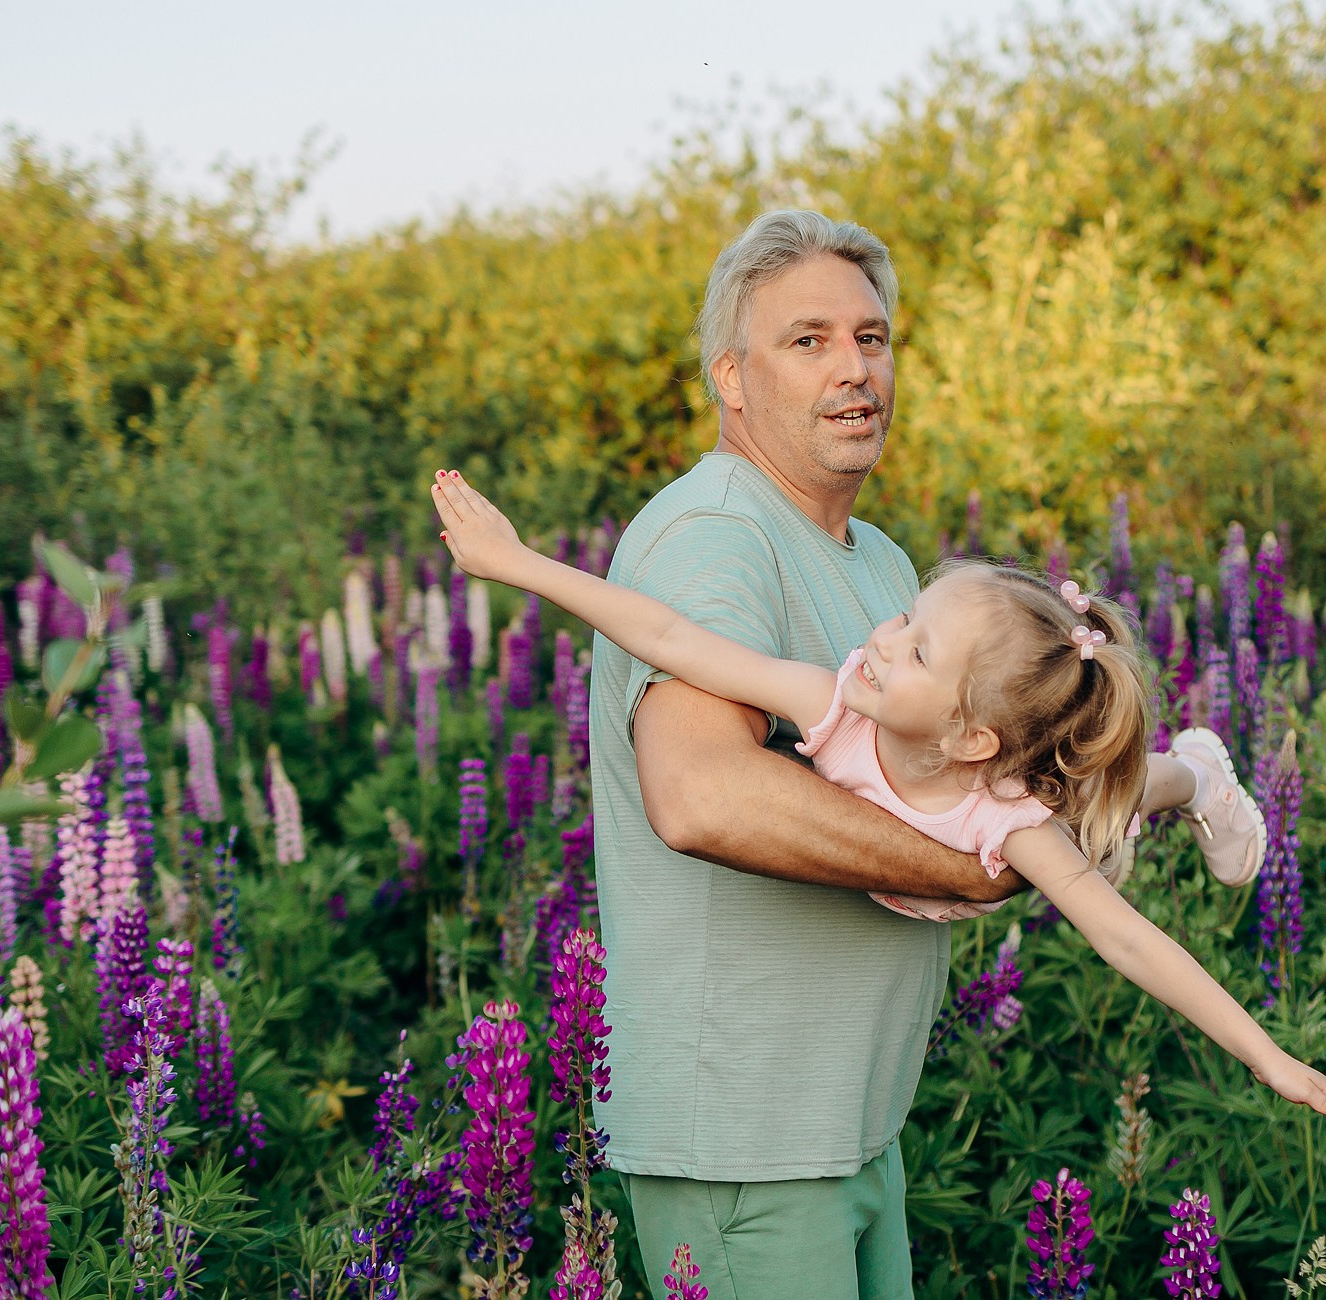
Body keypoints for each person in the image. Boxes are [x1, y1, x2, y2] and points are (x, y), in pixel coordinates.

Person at [446, 209, 1277, 1297]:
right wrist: (974, 869)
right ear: (732, 380)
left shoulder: (880, 562)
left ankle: (1190, 774)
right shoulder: (716, 537)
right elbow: (700, 795)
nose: (854, 369)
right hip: (746, 1140)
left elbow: (978, 772)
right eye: (808, 341)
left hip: (851, 1129)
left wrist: (1073, 815)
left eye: (872, 338)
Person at [428, 467, 1326, 1226]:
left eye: (917, 650)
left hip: (1020, 791)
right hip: (979, 769)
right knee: (1096, 794)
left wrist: (1269, 1058)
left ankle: (1196, 775)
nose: (880, 639)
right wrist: (516, 563)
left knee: (1110, 802)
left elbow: (1128, 941)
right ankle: (1187, 770)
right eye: (906, 618)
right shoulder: (831, 700)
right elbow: (671, 633)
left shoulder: (1006, 821)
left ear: (969, 736)